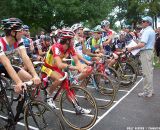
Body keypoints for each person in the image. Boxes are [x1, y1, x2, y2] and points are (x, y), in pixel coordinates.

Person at [41, 29, 92, 114]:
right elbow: (60, 64)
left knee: (67, 87)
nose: (74, 40)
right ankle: (49, 96)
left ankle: (77, 108)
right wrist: (76, 68)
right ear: (67, 40)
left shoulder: (70, 47)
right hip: (47, 67)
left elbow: (77, 61)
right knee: (60, 78)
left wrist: (82, 68)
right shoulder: (56, 47)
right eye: (72, 39)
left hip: (56, 67)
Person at [0, 18, 41, 94]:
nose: (23, 32)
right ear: (13, 32)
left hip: (3, 66)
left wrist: (35, 75)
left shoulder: (19, 40)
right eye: (20, 30)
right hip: (5, 64)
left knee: (29, 78)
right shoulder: (1, 43)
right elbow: (6, 63)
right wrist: (18, 82)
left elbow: (25, 57)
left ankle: (23, 103)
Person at [127, 16, 155, 97]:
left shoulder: (147, 31)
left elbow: (142, 44)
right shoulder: (151, 30)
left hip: (146, 52)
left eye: (143, 21)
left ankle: (147, 91)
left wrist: (131, 48)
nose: (141, 22)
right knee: (149, 72)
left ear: (147, 22)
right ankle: (150, 90)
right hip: (149, 51)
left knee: (146, 73)